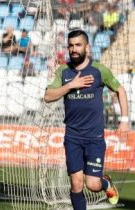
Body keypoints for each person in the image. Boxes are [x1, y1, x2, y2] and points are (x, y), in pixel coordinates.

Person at [44, 30, 129, 210]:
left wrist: (125, 119)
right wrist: (70, 86)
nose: (74, 49)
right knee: (76, 184)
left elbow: (120, 90)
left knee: (93, 185)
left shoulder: (99, 70)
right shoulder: (64, 71)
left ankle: (105, 184)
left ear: (87, 47)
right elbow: (48, 96)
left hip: (94, 138)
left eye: (78, 45)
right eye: (71, 45)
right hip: (72, 137)